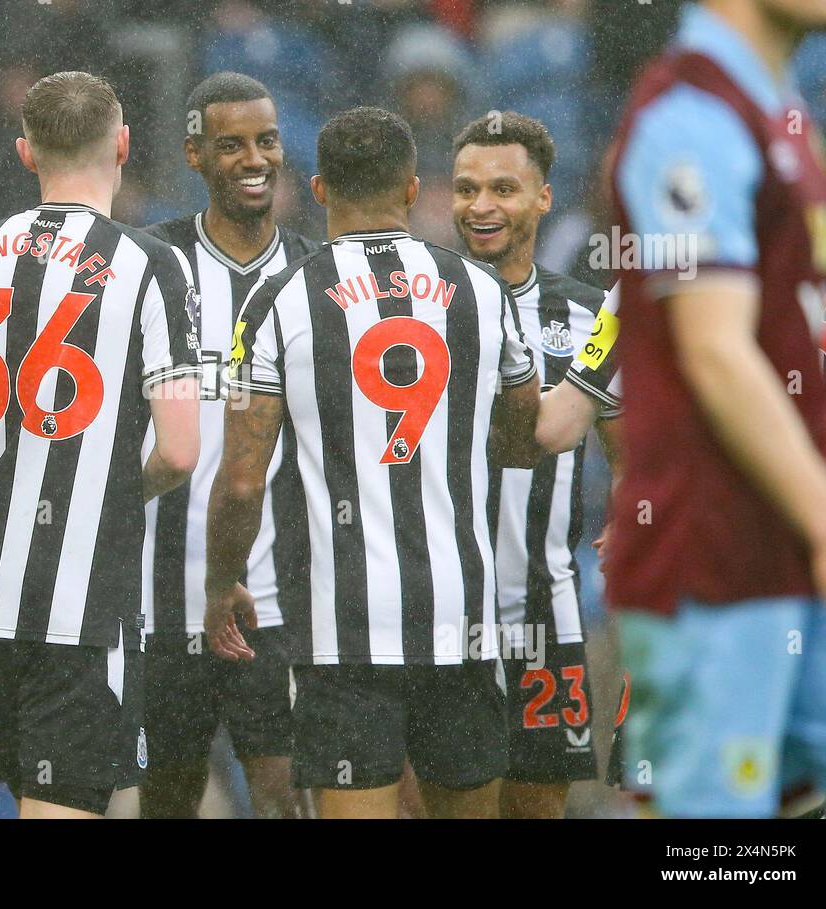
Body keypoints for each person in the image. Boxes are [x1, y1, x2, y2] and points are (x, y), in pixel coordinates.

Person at [206, 106, 540, 819]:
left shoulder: (279, 298)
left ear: (320, 188)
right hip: (461, 618)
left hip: (341, 631)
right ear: (416, 189)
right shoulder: (483, 293)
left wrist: (221, 578)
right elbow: (524, 434)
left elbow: (240, 478)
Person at [0, 70, 202, 819]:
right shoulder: (154, 266)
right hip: (80, 598)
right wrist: (104, 494)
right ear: (124, 144)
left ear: (25, 153)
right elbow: (181, 449)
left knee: (36, 795)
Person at [608, 0, 826, 818]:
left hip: (786, 552)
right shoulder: (691, 113)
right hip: (711, 563)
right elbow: (715, 351)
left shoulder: (777, 109)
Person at [139, 72, 319, 819]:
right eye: (232, 144)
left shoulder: (319, 275)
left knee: (286, 798)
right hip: (160, 603)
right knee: (168, 800)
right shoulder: (150, 266)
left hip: (278, 604)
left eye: (267, 141)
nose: (254, 158)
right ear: (193, 155)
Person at [450, 110, 622, 818]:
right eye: (465, 189)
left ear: (543, 197)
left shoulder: (587, 313)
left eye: (502, 188)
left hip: (547, 609)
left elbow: (626, 449)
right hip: (439, 611)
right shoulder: (423, 304)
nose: (481, 206)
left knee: (538, 810)